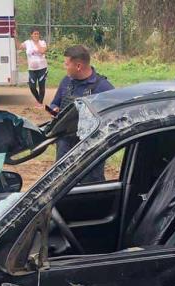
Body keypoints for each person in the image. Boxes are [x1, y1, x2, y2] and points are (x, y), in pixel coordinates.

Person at [49, 45, 114, 180]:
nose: (64, 66)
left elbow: (115, 118)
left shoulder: (103, 88)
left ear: (78, 66)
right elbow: (55, 102)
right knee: (61, 183)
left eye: (66, 64)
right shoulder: (66, 81)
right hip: (64, 145)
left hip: (90, 149)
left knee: (90, 188)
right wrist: (54, 109)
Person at [22, 29, 48, 104]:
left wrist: (36, 43)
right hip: (32, 69)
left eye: (37, 34)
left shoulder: (42, 42)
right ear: (31, 35)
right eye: (35, 34)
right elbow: (19, 47)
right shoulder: (27, 43)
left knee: (41, 86)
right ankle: (38, 99)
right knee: (32, 86)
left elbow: (42, 51)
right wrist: (15, 38)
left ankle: (40, 102)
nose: (36, 35)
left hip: (42, 68)